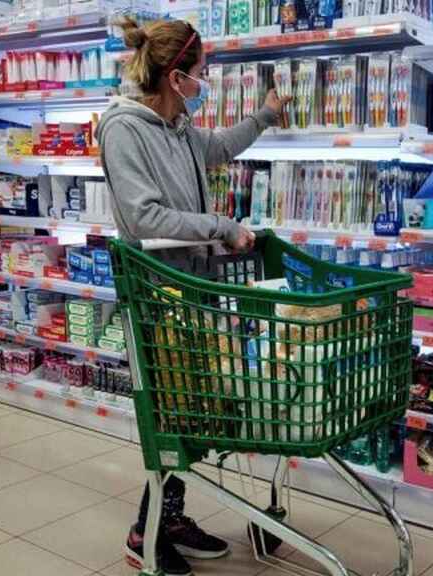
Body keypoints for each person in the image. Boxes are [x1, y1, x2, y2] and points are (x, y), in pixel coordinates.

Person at [95, 16, 290, 576]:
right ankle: (145, 531)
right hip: (157, 293)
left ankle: (171, 514)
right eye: (200, 74)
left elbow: (220, 147)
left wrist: (266, 116)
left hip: (194, 291)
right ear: (176, 75)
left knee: (197, 411)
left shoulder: (177, 124)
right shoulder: (124, 129)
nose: (204, 84)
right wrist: (220, 227)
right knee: (175, 416)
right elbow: (142, 214)